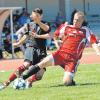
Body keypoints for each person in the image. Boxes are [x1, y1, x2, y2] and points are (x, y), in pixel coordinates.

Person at [20, 11, 100, 86]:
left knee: (66, 82)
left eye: (77, 20)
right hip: (60, 54)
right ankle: (23, 79)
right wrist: (56, 41)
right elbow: (54, 35)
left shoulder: (85, 30)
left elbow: (93, 42)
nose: (75, 21)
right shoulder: (66, 27)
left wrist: (97, 52)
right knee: (42, 63)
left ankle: (70, 80)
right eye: (74, 19)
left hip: (72, 60)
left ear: (82, 21)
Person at [0, 8, 51, 90]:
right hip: (31, 48)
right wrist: (18, 43)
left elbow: (47, 31)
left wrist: (38, 28)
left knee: (40, 75)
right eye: (34, 15)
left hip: (41, 51)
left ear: (41, 16)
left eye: (38, 15)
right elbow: (26, 36)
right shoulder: (29, 25)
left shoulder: (45, 23)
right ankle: (6, 83)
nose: (35, 17)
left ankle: (29, 81)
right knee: (25, 65)